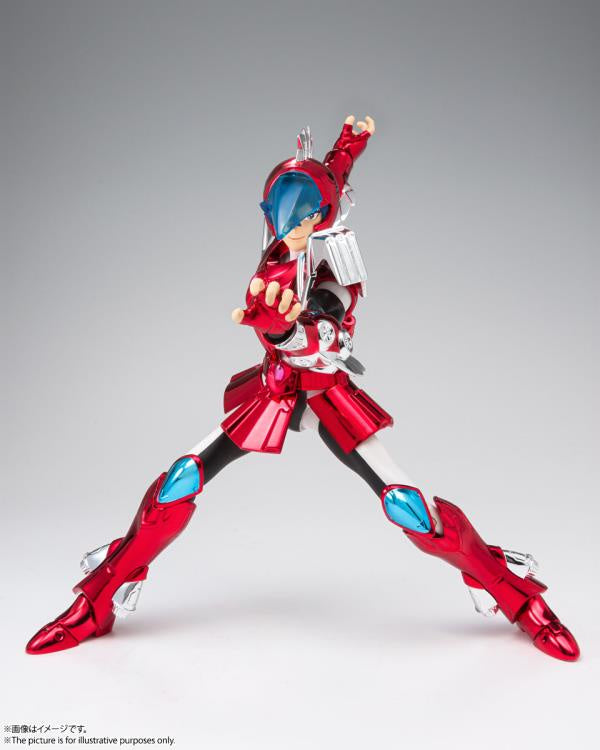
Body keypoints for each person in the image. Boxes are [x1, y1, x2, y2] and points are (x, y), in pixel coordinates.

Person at [26, 116, 579, 661]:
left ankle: (518, 597)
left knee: (410, 507)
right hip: (274, 392)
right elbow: (325, 181)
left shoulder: (332, 253)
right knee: (179, 481)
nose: (295, 224)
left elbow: (334, 326)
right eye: (284, 212)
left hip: (324, 391)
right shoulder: (275, 258)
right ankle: (97, 601)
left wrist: (289, 329)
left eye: (307, 213)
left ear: (324, 213)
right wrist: (345, 148)